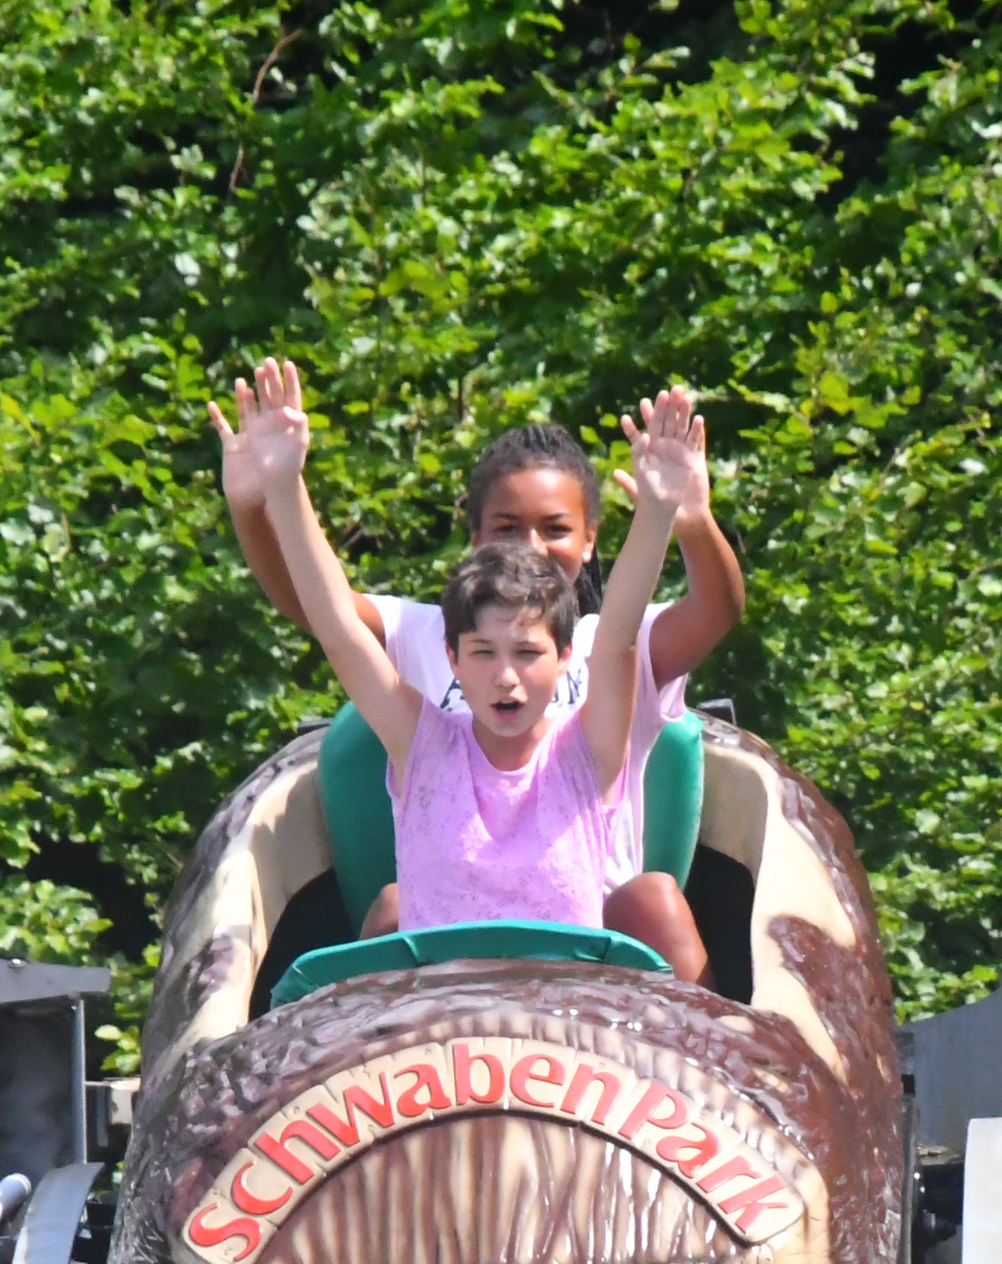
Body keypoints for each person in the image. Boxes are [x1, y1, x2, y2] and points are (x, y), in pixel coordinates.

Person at [236, 360, 711, 984]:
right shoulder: (424, 745)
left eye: (528, 654)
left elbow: (619, 637)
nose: (506, 677)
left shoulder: (585, 758)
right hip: (440, 1045)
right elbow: (339, 630)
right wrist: (284, 488)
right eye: (484, 654)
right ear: (453, 658)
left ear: (566, 658)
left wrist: (656, 511)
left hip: (568, 1042)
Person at [215, 399, 749, 727]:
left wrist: (690, 519)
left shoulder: (611, 646)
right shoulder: (424, 636)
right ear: (476, 540)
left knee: (654, 898)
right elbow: (320, 609)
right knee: (389, 908)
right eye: (507, 528)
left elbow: (715, 611)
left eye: (556, 529)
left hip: (590, 902)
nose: (531, 547)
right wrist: (254, 506)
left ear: (590, 541)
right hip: (453, 897)